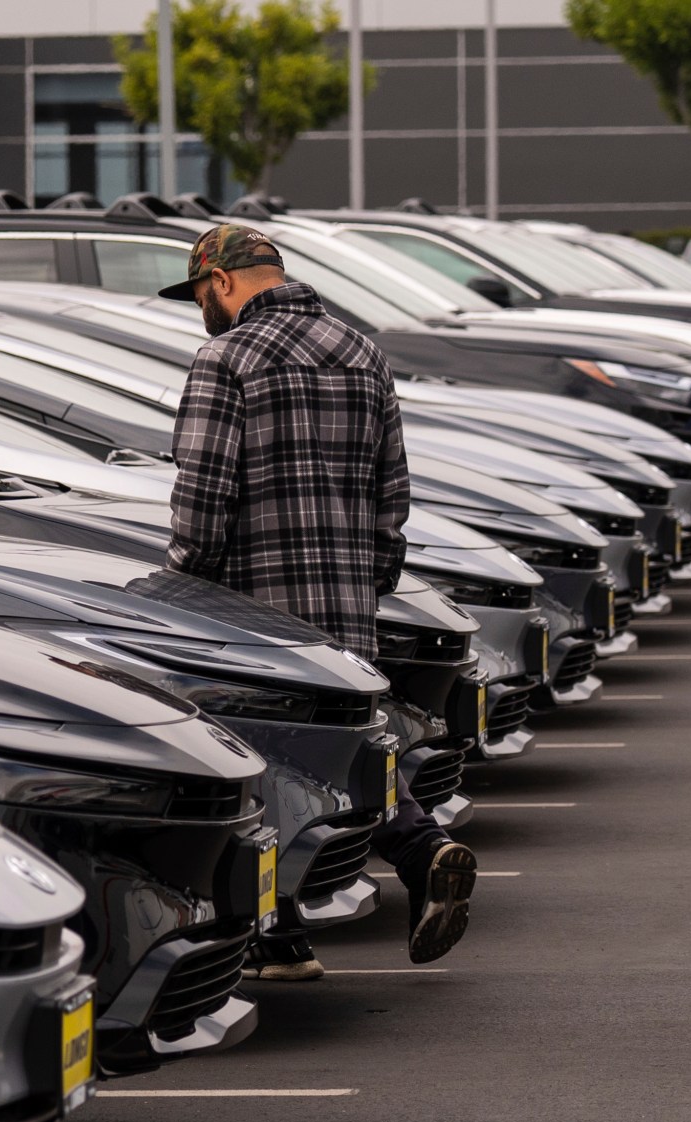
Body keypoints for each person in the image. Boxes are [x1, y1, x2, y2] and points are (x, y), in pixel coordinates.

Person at [156, 223, 474, 979]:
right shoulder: (362, 351)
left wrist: (177, 585)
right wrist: (372, 579)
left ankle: (281, 937)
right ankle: (415, 853)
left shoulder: (225, 358)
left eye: (201, 293)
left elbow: (202, 496)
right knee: (335, 752)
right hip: (344, 601)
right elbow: (391, 487)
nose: (202, 307)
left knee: (255, 766)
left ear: (223, 282)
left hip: (250, 606)